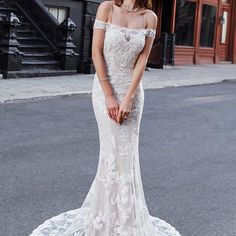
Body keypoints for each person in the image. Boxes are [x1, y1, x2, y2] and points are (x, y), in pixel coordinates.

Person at [29, 0, 182, 235]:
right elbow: (96, 52)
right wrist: (109, 95)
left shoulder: (150, 17)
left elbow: (143, 60)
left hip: (133, 93)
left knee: (128, 157)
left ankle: (127, 220)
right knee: (110, 155)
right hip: (104, 90)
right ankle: (104, 218)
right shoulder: (106, 9)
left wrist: (129, 98)